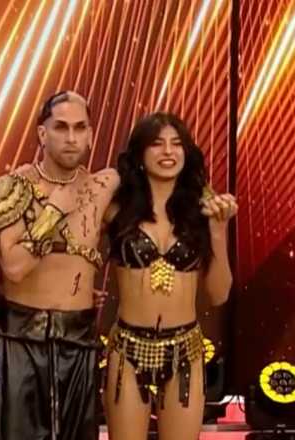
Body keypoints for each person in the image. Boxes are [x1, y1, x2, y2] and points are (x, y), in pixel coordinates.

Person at [0, 91, 118, 440]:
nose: (71, 137)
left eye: (80, 128)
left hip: (79, 340)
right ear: (42, 134)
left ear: (90, 135)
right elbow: (13, 268)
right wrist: (52, 213)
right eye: (61, 127)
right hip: (21, 340)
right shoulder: (13, 186)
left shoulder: (102, 188)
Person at [103, 112, 236, 439]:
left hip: (184, 350)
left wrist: (218, 231)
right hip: (128, 349)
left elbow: (219, 294)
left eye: (176, 144)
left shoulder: (202, 212)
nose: (168, 152)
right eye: (157, 144)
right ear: (140, 153)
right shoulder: (116, 209)